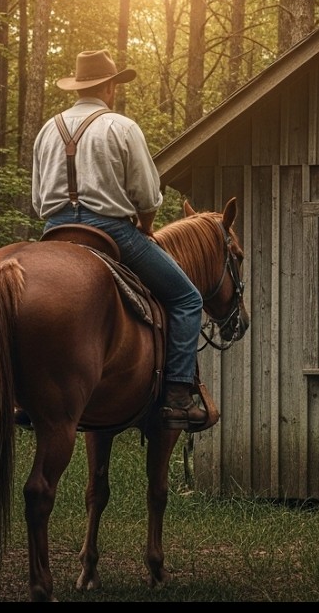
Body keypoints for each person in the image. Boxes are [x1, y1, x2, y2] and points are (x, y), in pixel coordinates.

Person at [32, 49, 206, 430]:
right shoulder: (122, 127)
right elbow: (147, 194)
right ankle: (178, 394)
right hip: (109, 231)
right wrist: (145, 225)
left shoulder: (48, 129)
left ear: (79, 87)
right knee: (187, 297)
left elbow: (36, 199)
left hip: (55, 233)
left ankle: (25, 396)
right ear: (110, 87)